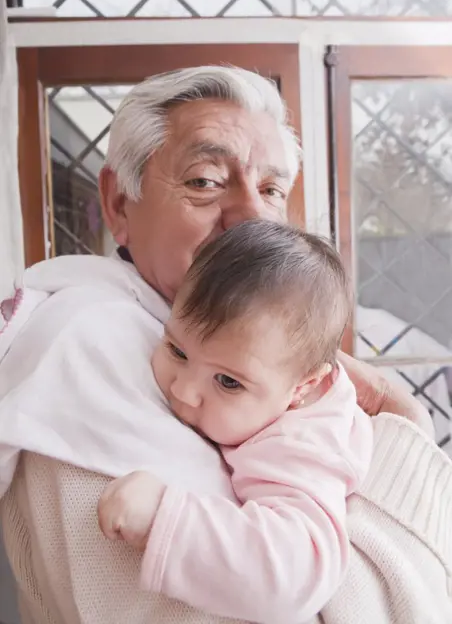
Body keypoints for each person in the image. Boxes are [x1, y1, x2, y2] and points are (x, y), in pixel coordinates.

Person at [0, 66, 450, 624]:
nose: (251, 217)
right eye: (205, 180)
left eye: (270, 189)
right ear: (118, 204)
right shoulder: (91, 342)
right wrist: (405, 437)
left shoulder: (271, 376)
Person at [98, 220, 373, 622]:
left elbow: (292, 576)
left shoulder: (299, 446)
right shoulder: (265, 381)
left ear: (302, 387)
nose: (183, 391)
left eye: (228, 382)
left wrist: (164, 518)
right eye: (176, 349)